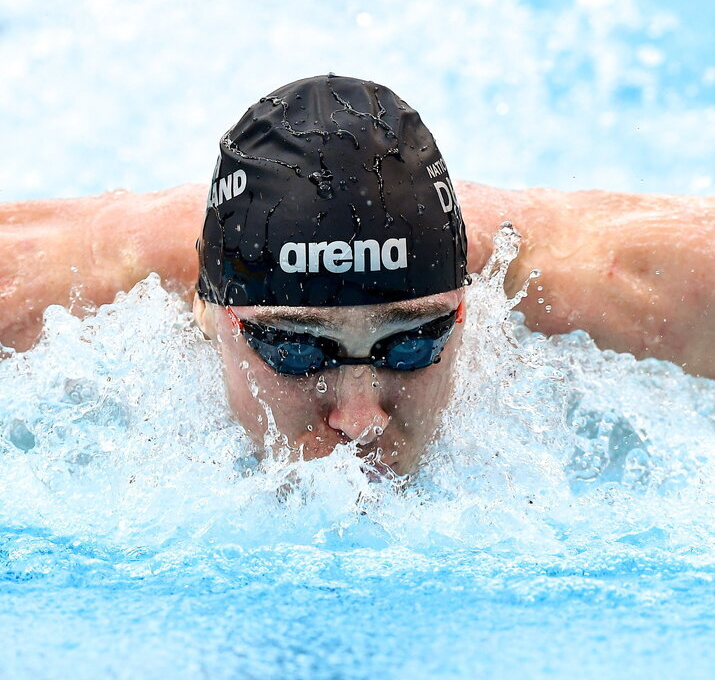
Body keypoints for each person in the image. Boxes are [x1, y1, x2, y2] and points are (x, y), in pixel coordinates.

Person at [1, 74, 713, 476]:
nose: (359, 419)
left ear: (467, 304)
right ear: (206, 312)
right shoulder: (46, 299)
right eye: (293, 348)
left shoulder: (630, 289)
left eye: (412, 342)